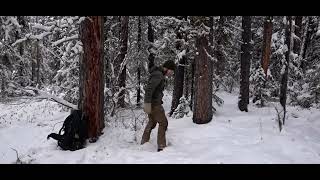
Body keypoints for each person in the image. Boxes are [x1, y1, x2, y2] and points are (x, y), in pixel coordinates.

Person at [141, 60, 175, 152]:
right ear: (166, 68)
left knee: (152, 122)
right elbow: (149, 89)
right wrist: (147, 104)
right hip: (154, 104)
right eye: (171, 71)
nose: (171, 74)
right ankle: (161, 146)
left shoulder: (158, 74)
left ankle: (144, 142)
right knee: (163, 123)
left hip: (152, 103)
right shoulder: (158, 75)